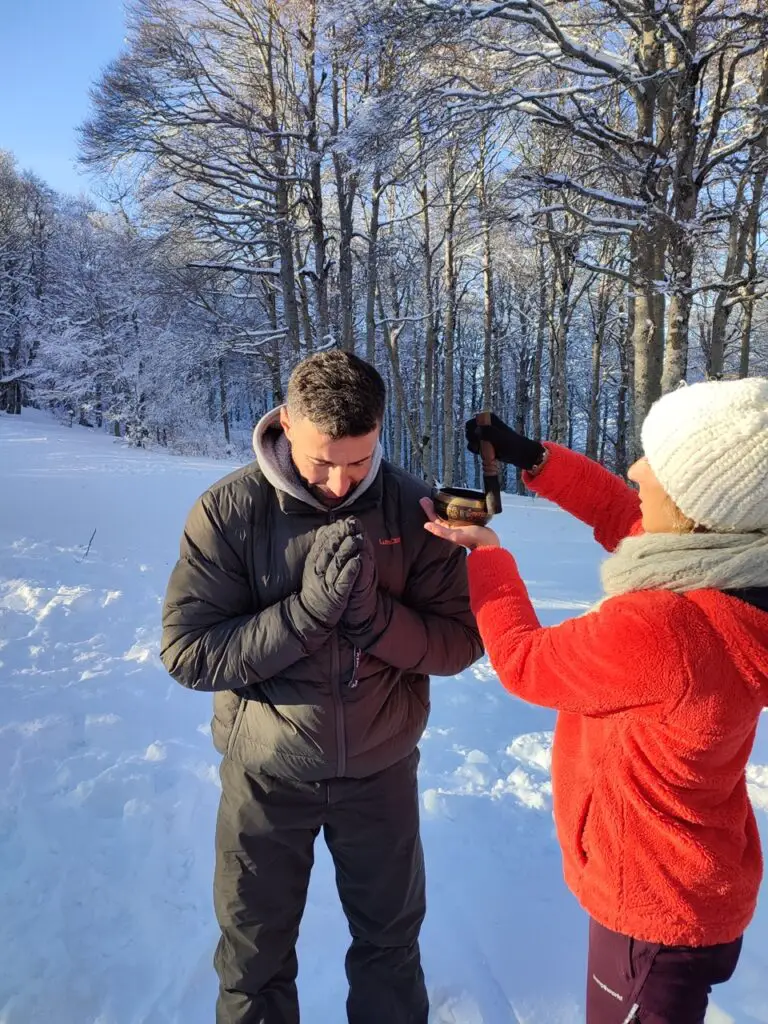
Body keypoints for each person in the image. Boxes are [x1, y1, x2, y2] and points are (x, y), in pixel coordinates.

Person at [422, 378, 768, 1024]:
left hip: (652, 911)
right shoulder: (739, 577)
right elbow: (624, 516)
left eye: (654, 467)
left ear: (696, 512)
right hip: (695, 884)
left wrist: (487, 558)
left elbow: (527, 663)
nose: (635, 469)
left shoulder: (668, 629)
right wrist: (532, 457)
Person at [160, 350, 482, 1024]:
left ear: (380, 434)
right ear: (285, 425)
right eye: (321, 462)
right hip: (266, 776)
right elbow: (189, 653)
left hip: (381, 770)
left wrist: (375, 620)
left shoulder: (414, 509)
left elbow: (460, 643)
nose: (340, 482)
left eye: (358, 462)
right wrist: (303, 617)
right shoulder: (230, 513)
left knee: (390, 949)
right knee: (254, 961)